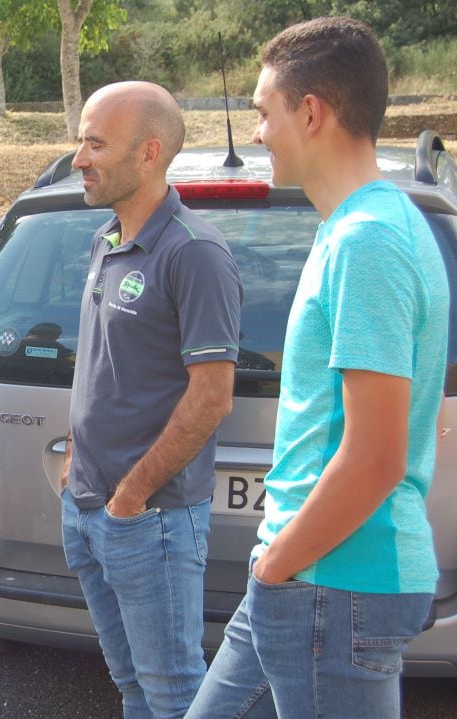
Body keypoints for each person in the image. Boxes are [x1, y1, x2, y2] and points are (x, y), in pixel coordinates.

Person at [187, 18, 450, 719]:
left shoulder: (369, 241)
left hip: (328, 576)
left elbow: (374, 456)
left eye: (264, 112)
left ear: (312, 112)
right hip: (307, 568)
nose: (260, 131)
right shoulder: (369, 226)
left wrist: (277, 567)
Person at [59, 81, 242, 718]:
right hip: (87, 506)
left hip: (150, 519)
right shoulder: (106, 240)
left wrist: (131, 496)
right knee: (133, 686)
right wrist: (77, 455)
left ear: (148, 153)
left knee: (173, 696)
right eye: (81, 140)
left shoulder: (194, 253)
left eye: (94, 143)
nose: (78, 158)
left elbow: (213, 397)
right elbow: (104, 360)